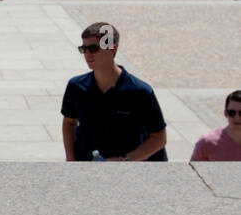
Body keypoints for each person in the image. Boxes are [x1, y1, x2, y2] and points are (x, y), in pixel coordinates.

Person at [61, 23, 168, 161]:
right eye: (84, 49)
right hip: (87, 168)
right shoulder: (76, 86)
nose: (87, 54)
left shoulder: (140, 92)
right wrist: (71, 160)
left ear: (112, 49)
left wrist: (125, 160)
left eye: (93, 48)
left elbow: (159, 138)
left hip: (128, 173)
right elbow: (69, 122)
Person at [190, 91, 241, 161]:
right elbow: (193, 169)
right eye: (232, 113)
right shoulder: (207, 142)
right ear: (225, 113)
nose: (237, 117)